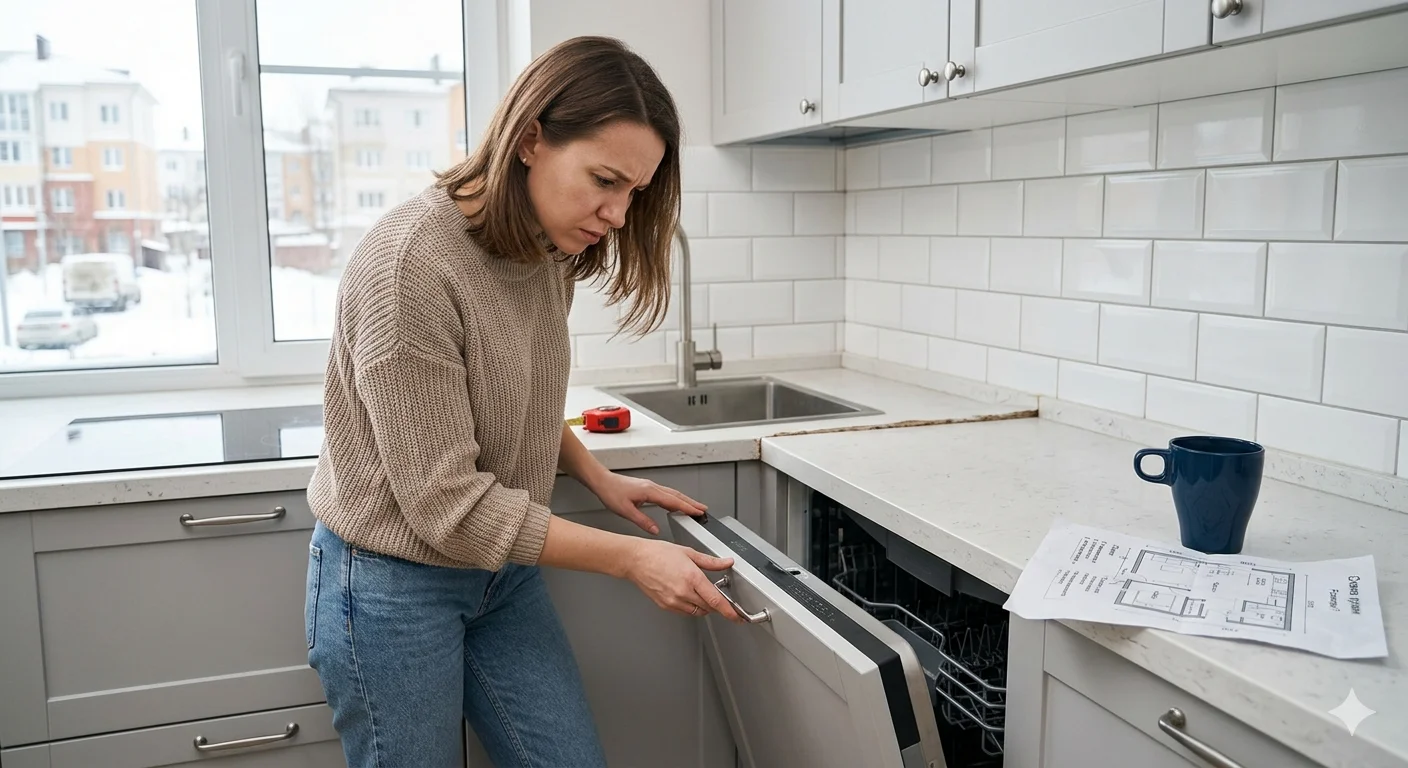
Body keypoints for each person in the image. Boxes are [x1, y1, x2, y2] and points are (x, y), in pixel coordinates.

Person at [303, 35, 744, 768]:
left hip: (500, 577)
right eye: (605, 180)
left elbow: (520, 393)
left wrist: (597, 476)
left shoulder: (545, 250)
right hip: (389, 588)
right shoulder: (410, 266)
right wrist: (633, 560)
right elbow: (449, 506)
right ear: (532, 138)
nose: (618, 214)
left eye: (634, 192)